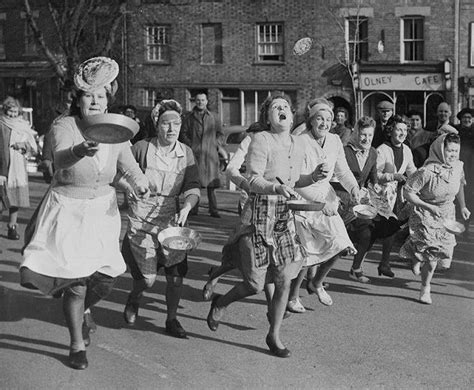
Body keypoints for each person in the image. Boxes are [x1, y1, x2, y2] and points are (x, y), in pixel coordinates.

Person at [19, 56, 149, 370]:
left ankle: (81, 308)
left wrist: (142, 183)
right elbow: (60, 161)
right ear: (78, 99)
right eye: (89, 95)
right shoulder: (64, 126)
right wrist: (80, 149)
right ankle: (77, 342)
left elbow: (128, 165)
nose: (94, 100)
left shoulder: (117, 128)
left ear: (108, 100)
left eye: (101, 95)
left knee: (106, 278)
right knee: (77, 283)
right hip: (68, 210)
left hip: (103, 213)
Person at [205, 91, 325, 358]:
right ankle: (220, 302)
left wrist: (312, 176)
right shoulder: (261, 139)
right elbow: (255, 179)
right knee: (255, 285)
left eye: (286, 106)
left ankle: (274, 335)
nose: (281, 109)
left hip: (285, 217)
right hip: (260, 214)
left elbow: (295, 182)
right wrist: (274, 187)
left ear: (293, 116)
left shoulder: (299, 143)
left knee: (283, 279)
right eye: (275, 107)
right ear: (267, 117)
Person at [121, 99, 200, 339]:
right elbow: (118, 173)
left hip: (172, 219)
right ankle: (134, 298)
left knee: (175, 276)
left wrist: (187, 207)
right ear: (156, 124)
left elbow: (193, 186)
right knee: (147, 279)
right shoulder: (142, 148)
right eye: (166, 123)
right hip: (141, 217)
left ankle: (172, 319)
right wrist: (128, 187)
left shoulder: (185, 153)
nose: (172, 128)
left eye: (176, 123)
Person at [289, 99, 359, 310]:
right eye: (320, 118)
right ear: (311, 121)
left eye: (328, 119)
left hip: (326, 198)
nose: (325, 123)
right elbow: (293, 180)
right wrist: (321, 203)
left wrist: (354, 188)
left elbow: (343, 171)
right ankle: (293, 297)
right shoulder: (299, 140)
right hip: (303, 199)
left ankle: (317, 282)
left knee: (341, 245)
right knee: (306, 253)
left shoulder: (335, 140)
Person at [400, 133, 470, 304]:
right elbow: (408, 192)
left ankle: (418, 255)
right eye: (449, 150)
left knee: (444, 263)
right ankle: (425, 288)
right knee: (432, 257)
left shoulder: (458, 166)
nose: (452, 155)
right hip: (425, 212)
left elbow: (460, 185)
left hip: (447, 213)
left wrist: (463, 206)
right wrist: (428, 207)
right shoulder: (427, 171)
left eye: (456, 151)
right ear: (440, 149)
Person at [333, 116, 378, 283]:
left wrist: (375, 188)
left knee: (367, 232)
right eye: (363, 135)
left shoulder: (373, 152)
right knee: (334, 240)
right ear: (356, 133)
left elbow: (373, 179)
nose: (366, 139)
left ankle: (356, 268)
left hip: (358, 204)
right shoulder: (344, 151)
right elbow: (334, 176)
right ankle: (317, 277)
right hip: (340, 200)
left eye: (370, 135)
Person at [375, 115, 416, 277]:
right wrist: (393, 177)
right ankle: (359, 264)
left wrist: (421, 183)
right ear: (391, 130)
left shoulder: (406, 149)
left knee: (391, 229)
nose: (402, 133)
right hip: (381, 195)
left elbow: (412, 171)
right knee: (376, 232)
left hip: (397, 196)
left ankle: (384, 264)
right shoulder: (382, 149)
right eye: (399, 129)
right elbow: (376, 175)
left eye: (405, 130)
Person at [180, 92, 228, 218]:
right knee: (195, 183)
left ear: (207, 101)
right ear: (194, 101)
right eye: (198, 100)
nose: (200, 102)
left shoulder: (214, 117)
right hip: (195, 155)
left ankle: (214, 210)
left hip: (210, 155)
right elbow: (183, 133)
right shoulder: (189, 117)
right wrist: (191, 146)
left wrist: (215, 144)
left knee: (211, 186)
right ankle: (193, 209)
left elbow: (221, 134)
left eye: (202, 100)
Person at [0, 96, 38, 240]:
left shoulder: (23, 125)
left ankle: (12, 227)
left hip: (18, 168)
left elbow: (33, 147)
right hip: (3, 167)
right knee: (1, 200)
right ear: (5, 110)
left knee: (14, 200)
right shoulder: (1, 124)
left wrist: (24, 146)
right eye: (10, 111)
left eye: (15, 112)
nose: (13, 115)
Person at [456, 107, 474, 236]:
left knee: (469, 198)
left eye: (469, 118)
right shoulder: (456, 132)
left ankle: (466, 226)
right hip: (458, 167)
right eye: (464, 117)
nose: (466, 120)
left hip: (472, 169)